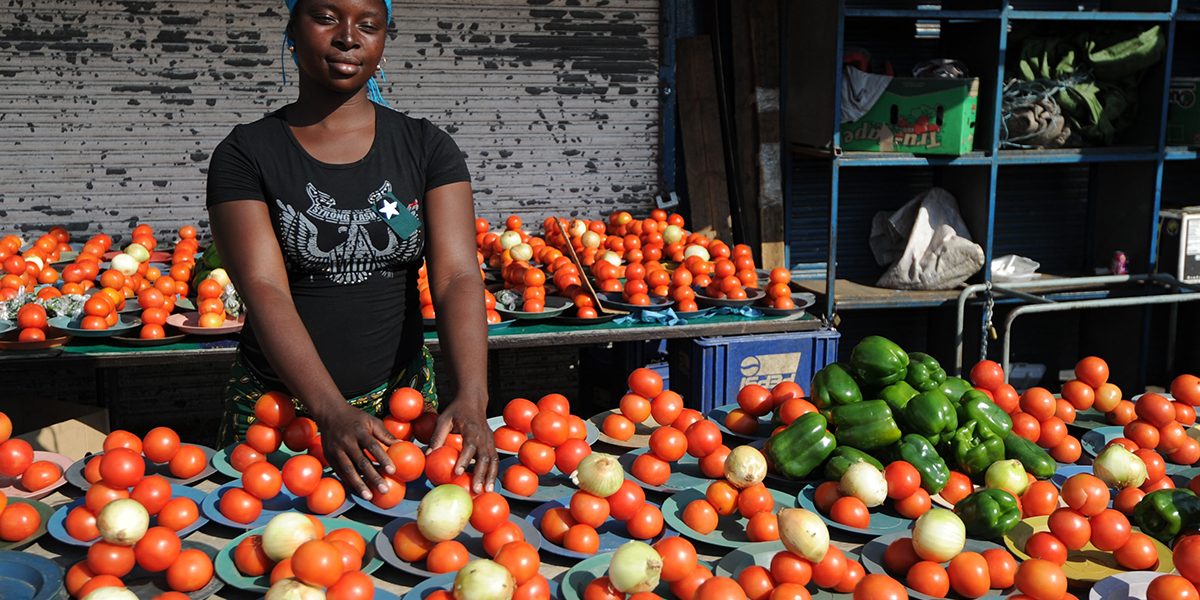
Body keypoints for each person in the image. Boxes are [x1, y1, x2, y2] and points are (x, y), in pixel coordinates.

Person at [205, 0, 497, 498]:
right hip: (280, 415)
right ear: (292, 32)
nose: (348, 37)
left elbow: (456, 278)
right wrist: (329, 409)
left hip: (402, 411)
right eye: (325, 18)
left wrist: (472, 395)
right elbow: (265, 287)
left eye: (368, 25)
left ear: (383, 43)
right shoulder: (246, 154)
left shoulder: (426, 147)